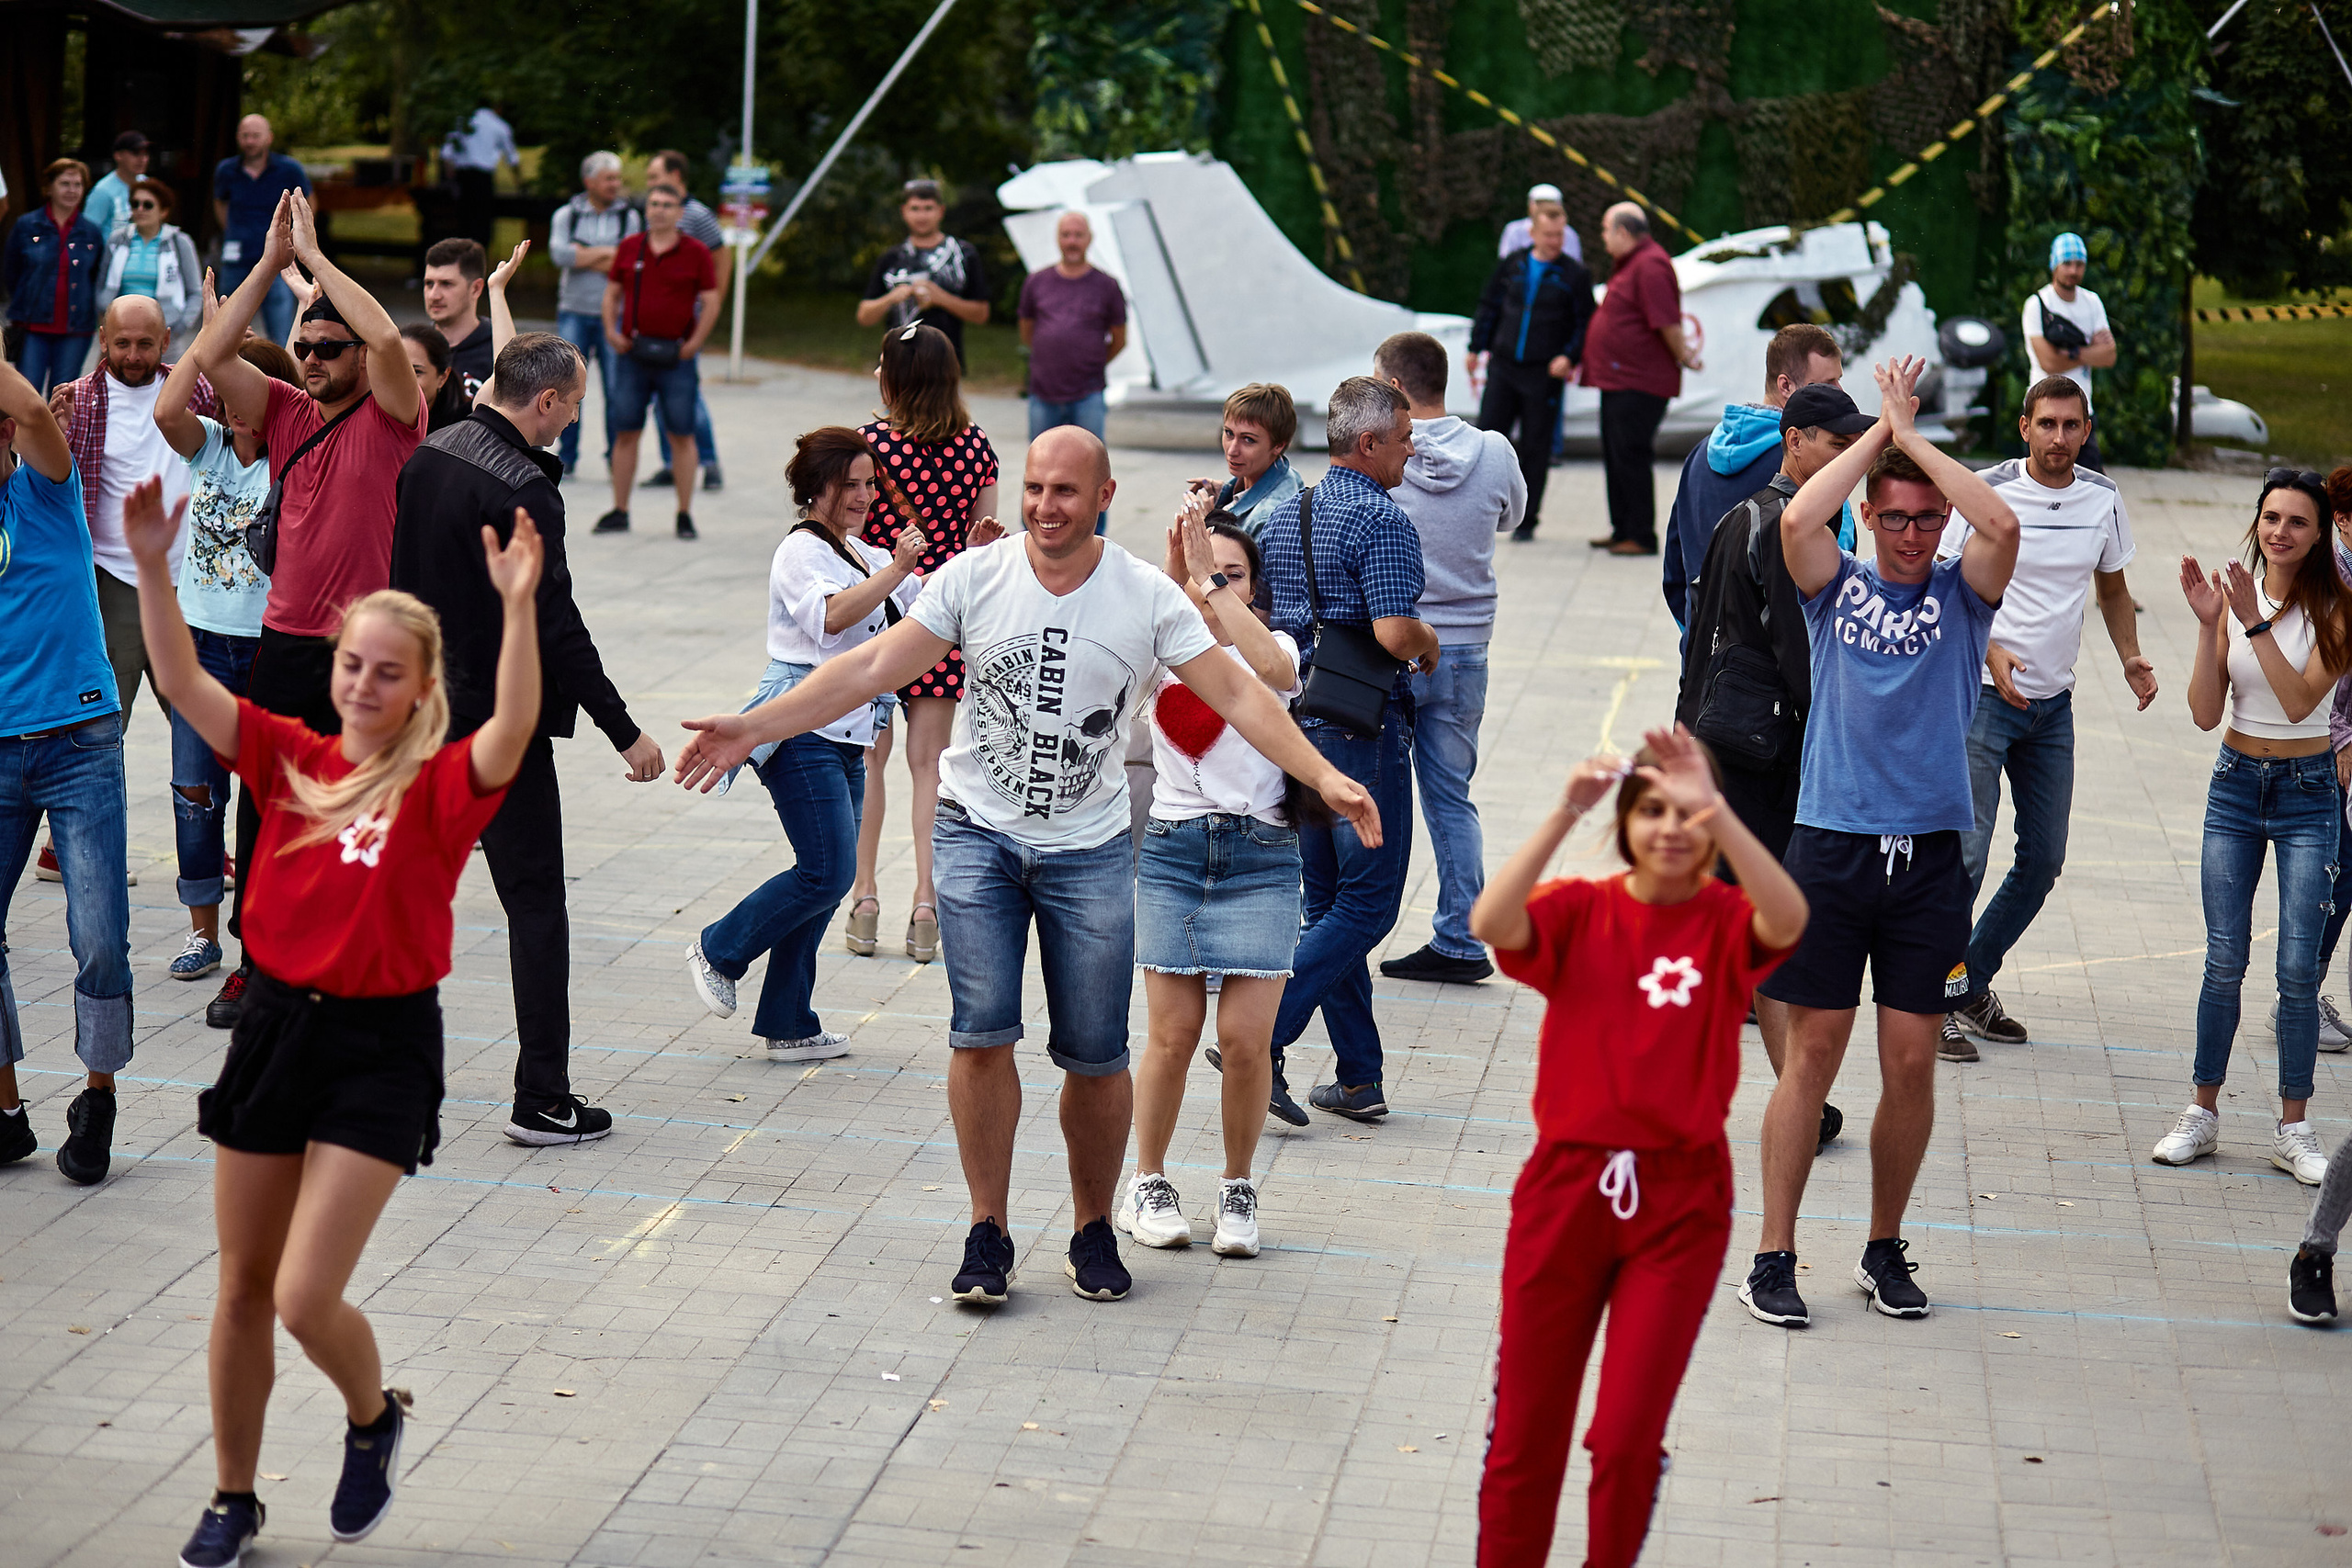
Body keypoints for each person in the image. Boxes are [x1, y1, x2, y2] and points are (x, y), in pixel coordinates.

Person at [670, 424, 1378, 1309]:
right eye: (1035, 488)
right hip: (977, 836)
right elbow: (872, 664)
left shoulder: (1143, 595)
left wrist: (1323, 775)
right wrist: (755, 722)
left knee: (1096, 1052)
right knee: (981, 1033)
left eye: (1066, 491)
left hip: (1090, 850)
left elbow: (1239, 689)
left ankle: (1091, 1228)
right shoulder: (976, 577)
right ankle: (988, 1230)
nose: (1045, 506)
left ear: (1104, 497)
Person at [124, 472, 544, 1568]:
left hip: (382, 1046)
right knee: (242, 1288)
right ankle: (233, 1497)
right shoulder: (288, 756)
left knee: (306, 1296)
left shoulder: (442, 786)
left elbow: (514, 728)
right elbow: (181, 682)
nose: (362, 682)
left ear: (420, 688)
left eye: (387, 671)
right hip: (273, 1028)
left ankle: (372, 1417)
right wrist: (156, 568)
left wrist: (517, 606)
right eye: (353, 663)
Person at [1472, 727, 1805, 1568]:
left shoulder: (1726, 921)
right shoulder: (1580, 909)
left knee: (1624, 1436)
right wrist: (1565, 809)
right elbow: (1490, 920)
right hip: (1565, 1193)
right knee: (1525, 1433)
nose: (1671, 827)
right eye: (1651, 810)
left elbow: (1790, 918)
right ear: (1624, 823)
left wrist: (1715, 806)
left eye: (1685, 813)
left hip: (1680, 1203)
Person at [1738, 357, 2017, 1330]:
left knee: (1909, 1064)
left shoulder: (1964, 596)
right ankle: (1772, 1255)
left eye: (1926, 520)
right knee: (1811, 1055)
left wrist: (1918, 446)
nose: (1911, 534)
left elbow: (2001, 524)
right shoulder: (1835, 587)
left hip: (1928, 859)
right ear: (1868, 518)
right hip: (1832, 848)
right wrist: (1879, 438)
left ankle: (1882, 1245)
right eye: (1894, 518)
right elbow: (1796, 522)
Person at [392, 320, 657, 1145]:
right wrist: (624, 730)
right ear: (543, 400)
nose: (573, 420)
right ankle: (542, 1096)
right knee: (536, 905)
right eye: (572, 405)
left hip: (420, 718)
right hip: (496, 730)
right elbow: (555, 624)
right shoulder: (524, 489)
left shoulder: (429, 455)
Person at [196, 190, 427, 1032]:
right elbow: (211, 358)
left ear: (357, 355)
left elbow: (390, 341)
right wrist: (270, 263)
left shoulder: (396, 415)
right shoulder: (288, 411)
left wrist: (319, 260)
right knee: (265, 808)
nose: (315, 358)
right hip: (285, 644)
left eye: (331, 348)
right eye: (305, 347)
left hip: (362, 654)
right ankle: (257, 962)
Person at [1673, 380, 1873, 1145]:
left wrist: (1688, 730)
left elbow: (1695, 632)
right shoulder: (1785, 527)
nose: (1849, 456)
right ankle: (1782, 1099)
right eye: (1837, 442)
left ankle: (1798, 1100)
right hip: (1769, 754)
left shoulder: (1744, 514)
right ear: (1795, 440)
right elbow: (1803, 656)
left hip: (1729, 744)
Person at [684, 428, 924, 1059]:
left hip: (848, 734)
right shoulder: (800, 552)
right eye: (851, 485)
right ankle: (719, 948)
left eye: (869, 484)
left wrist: (974, 561)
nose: (864, 496)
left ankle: (789, 1021)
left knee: (826, 877)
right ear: (817, 487)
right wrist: (897, 569)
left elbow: (928, 606)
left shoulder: (863, 552)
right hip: (798, 730)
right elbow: (831, 617)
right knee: (827, 871)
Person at [1939, 376, 2156, 1061]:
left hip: (2052, 709)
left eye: (2071, 425)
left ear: (2086, 431)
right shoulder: (1988, 490)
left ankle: (1967, 983)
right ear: (2025, 427)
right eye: (2047, 424)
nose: (2059, 438)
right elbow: (1941, 585)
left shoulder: (2103, 499)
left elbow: (2112, 588)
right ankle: (1930, 1000)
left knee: (2043, 861)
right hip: (1982, 696)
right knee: (1965, 857)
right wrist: (1989, 648)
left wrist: (2130, 656)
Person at [1117, 499, 1306, 1260]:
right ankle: (1147, 1180)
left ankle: (1237, 1186)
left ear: (1252, 587)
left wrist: (1212, 583)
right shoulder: (1162, 651)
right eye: (1204, 571)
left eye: (1233, 574)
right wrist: (1177, 577)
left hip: (1262, 856)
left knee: (1245, 1041)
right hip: (1173, 853)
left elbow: (1279, 674)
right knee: (1171, 1035)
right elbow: (1134, 644)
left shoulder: (1273, 646)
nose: (1214, 583)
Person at [1255, 377, 1442, 1122]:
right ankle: (1261, 1034)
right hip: (1363, 730)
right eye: (1403, 437)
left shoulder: (1288, 512)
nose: (1411, 449)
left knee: (1329, 904)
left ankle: (1360, 1077)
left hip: (1298, 726)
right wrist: (1428, 642)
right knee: (1367, 906)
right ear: (1368, 443)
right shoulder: (1381, 519)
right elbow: (1394, 632)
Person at [2154, 468, 2346, 1185]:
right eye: (2271, 517)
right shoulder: (2234, 598)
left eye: (2296, 521)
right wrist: (2212, 625)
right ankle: (2201, 1112)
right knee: (2223, 959)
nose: (2279, 532)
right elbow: (2206, 713)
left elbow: (2299, 701)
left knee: (2297, 968)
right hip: (2235, 785)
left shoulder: (2338, 609)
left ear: (2319, 534)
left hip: (2308, 790)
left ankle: (2293, 1127)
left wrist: (2253, 621)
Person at [0, 351, 134, 1188]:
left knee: (99, 937)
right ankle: (5, 1110)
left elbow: (31, 409)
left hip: (78, 740)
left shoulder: (46, 489)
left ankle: (98, 1097)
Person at [151, 301, 297, 987]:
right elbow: (166, 409)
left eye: (251, 397)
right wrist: (213, 339)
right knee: (195, 792)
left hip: (268, 648)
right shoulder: (206, 443)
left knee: (266, 802)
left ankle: (260, 942)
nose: (238, 410)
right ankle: (203, 933)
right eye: (229, 394)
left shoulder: (293, 459)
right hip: (201, 646)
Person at [846, 323, 1001, 964]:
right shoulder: (976, 447)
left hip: (879, 616)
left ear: (895, 378)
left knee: (867, 762)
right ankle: (926, 904)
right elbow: (986, 540)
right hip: (942, 623)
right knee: (929, 766)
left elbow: (845, 530)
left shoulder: (867, 444)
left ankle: (864, 897)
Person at [1373, 330, 1523, 984]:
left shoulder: (1379, 452)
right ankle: (1462, 936)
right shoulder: (1494, 451)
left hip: (1395, 644)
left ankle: (1344, 922)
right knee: (1451, 797)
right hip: (1467, 649)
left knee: (1369, 791)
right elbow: (1512, 517)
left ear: (1395, 387)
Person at [1662, 323, 1844, 637]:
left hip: (1702, 652)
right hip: (1780, 659)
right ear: (1785, 385)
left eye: (1839, 381)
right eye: (1827, 384)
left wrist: (1700, 637)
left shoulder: (1700, 454)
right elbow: (1837, 572)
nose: (1840, 392)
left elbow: (1674, 571)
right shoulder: (1810, 464)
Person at [599, 185, 718, 539]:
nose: (660, 210)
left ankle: (684, 514)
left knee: (682, 434)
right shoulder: (630, 247)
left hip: (676, 358)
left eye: (668, 205)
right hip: (632, 355)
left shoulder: (696, 252)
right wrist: (610, 332)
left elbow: (711, 300)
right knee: (625, 432)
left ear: (680, 212)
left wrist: (694, 343)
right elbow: (612, 294)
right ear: (646, 209)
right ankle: (620, 510)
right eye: (654, 204)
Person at [1467, 207, 1592, 544]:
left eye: (1560, 235)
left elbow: (1585, 323)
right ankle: (1478, 510)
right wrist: (1476, 346)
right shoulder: (1513, 265)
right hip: (1504, 367)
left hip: (1543, 373)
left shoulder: (1574, 275)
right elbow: (1489, 305)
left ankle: (1526, 520)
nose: (1554, 241)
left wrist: (1569, 356)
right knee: (1487, 440)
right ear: (1533, 234)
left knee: (1536, 448)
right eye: (1548, 235)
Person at [1583, 203, 1699, 556]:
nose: (1603, 238)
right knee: (1616, 454)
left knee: (1631, 454)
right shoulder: (1633, 263)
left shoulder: (1650, 264)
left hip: (1638, 381)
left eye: (1605, 230)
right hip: (1619, 379)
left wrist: (1683, 355)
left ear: (1622, 231)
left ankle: (1641, 534)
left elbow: (1666, 321)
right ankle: (1622, 529)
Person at [1019, 210, 1127, 534]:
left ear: (1089, 239)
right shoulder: (1037, 282)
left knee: (1091, 470)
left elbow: (1119, 339)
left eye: (1078, 235)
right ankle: (1033, 535)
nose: (1072, 241)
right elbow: (1027, 330)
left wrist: (1090, 362)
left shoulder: (1107, 286)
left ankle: (1093, 536)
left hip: (1088, 393)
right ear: (1058, 239)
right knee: (1039, 470)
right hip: (1043, 392)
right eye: (1066, 235)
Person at [548, 152, 641, 478]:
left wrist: (584, 253)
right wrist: (608, 254)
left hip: (614, 315)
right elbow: (560, 254)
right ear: (589, 182)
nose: (615, 184)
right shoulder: (567, 215)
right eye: (608, 179)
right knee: (567, 387)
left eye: (617, 178)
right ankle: (567, 456)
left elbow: (629, 262)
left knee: (616, 389)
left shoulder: (629, 217)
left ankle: (616, 457)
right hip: (573, 311)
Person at [641, 151, 725, 492]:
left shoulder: (698, 214)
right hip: (651, 327)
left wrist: (712, 300)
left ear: (675, 176)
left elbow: (721, 257)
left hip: (684, 325)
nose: (650, 184)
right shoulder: (650, 211)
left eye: (655, 176)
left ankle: (708, 461)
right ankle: (671, 464)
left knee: (686, 396)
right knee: (661, 398)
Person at [857, 178, 990, 367]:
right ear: (904, 211)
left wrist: (940, 298)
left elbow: (982, 314)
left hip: (945, 364)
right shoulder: (891, 258)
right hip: (898, 363)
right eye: (915, 209)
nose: (921, 216)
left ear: (941, 211)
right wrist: (892, 298)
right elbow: (864, 316)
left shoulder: (963, 254)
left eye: (928, 208)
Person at [3, 160, 106, 396]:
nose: (72, 190)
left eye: (78, 185)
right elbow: (11, 272)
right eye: (65, 183)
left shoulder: (91, 232)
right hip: (32, 326)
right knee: (26, 396)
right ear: (49, 188)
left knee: (63, 397)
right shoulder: (27, 225)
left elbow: (95, 275)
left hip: (75, 328)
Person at [211, 116, 311, 348]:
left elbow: (308, 203)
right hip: (237, 259)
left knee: (281, 333)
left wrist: (294, 237)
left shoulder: (290, 169)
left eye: (256, 136)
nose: (250, 141)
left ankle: (283, 370)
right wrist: (233, 230)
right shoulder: (226, 170)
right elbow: (220, 204)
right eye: (245, 136)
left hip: (278, 261)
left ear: (269, 138)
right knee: (224, 328)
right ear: (238, 138)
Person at [2021, 232, 2113, 474]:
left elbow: (2109, 355)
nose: (2073, 270)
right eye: (2067, 263)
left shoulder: (2092, 302)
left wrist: (2070, 353)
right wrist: (2090, 351)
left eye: (2079, 264)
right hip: (2043, 409)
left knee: (2092, 483)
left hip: (2082, 409)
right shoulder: (2037, 304)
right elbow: (2048, 362)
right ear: (2055, 265)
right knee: (2039, 480)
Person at [96, 176, 202, 342]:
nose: (140, 209)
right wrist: (104, 313)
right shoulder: (117, 239)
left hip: (164, 332)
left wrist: (181, 326)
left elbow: (195, 292)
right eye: (135, 204)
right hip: (121, 330)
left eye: (148, 205)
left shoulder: (180, 242)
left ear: (163, 211)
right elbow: (101, 283)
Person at [1201, 383, 1304, 537]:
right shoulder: (1286, 473)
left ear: (1279, 445)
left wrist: (1207, 524)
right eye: (1229, 433)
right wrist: (1225, 493)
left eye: (1248, 439)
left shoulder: (1265, 519)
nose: (1232, 450)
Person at [420, 237, 493, 400]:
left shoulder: (498, 351)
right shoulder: (413, 347)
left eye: (446, 284)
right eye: (429, 284)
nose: (434, 295)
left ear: (476, 288)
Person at [440, 104, 519, 247]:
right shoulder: (499, 125)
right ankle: (480, 253)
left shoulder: (462, 123)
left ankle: (462, 253)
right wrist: (519, 181)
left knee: (463, 221)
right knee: (482, 222)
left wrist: (450, 179)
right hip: (483, 178)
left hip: (463, 177)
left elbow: (447, 154)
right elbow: (512, 158)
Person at [399, 322, 472, 434]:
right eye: (396, 370)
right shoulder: (377, 418)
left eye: (417, 372)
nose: (404, 382)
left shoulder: (464, 426)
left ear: (443, 377)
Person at [84, 130, 150, 242]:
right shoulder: (102, 191)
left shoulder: (147, 185)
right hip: (113, 251)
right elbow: (87, 233)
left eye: (145, 154)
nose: (142, 159)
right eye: (135, 153)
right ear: (118, 155)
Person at [1496, 181, 1584, 265]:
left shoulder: (1570, 234)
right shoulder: (1514, 230)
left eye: (1558, 235)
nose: (1544, 207)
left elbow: (1574, 263)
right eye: (1539, 203)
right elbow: (1506, 261)